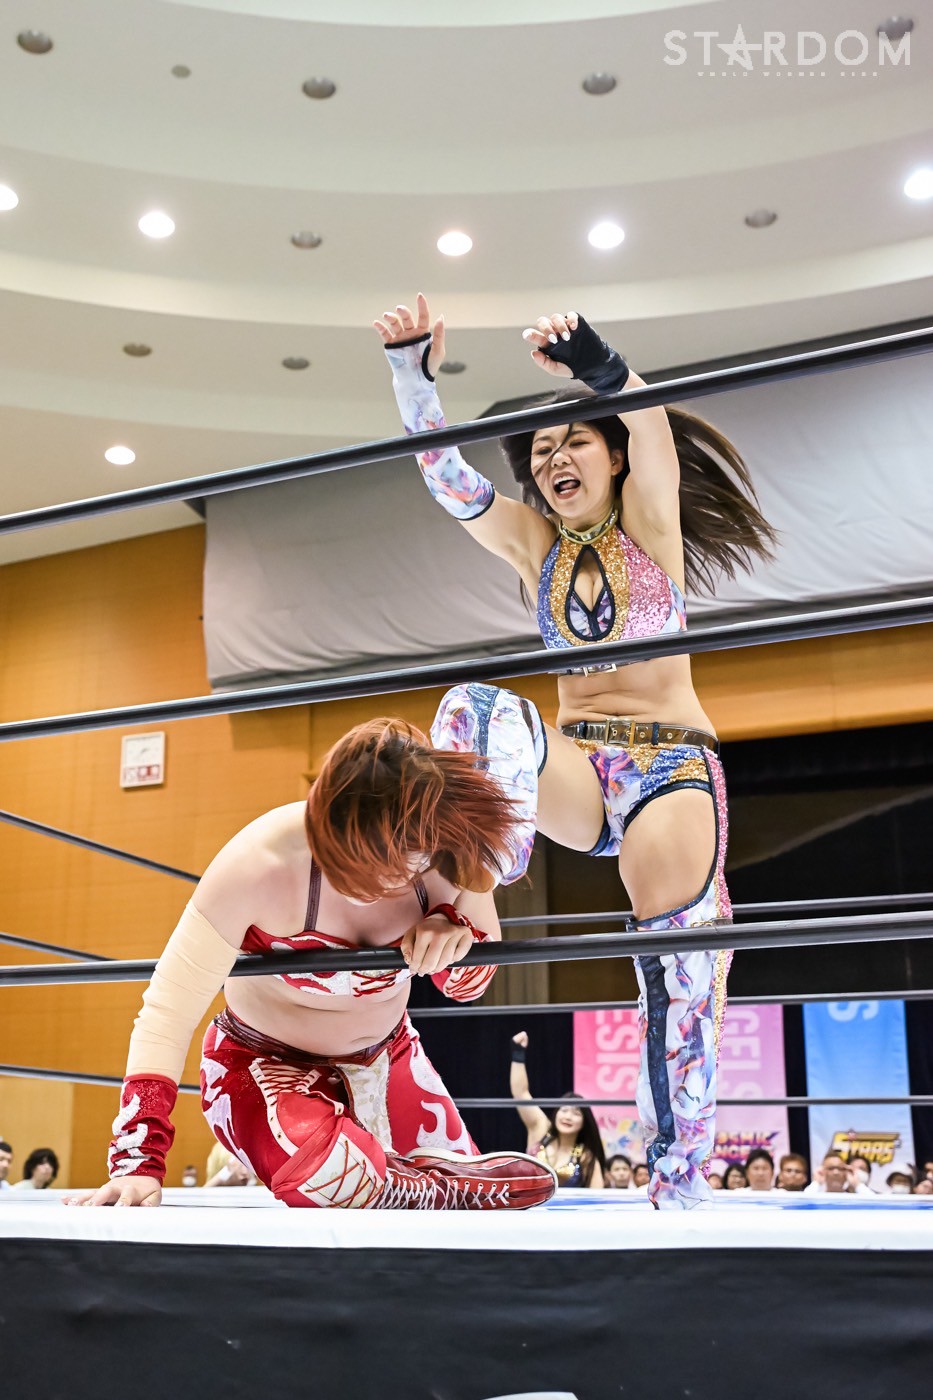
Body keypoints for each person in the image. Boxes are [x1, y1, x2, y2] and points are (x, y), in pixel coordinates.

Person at [376, 297, 776, 1209]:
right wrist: (410, 376)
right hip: (580, 774)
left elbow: (647, 420)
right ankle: (476, 899)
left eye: (575, 442)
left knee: (678, 968)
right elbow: (449, 482)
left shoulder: (649, 523)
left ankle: (677, 1180)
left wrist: (601, 367)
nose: (555, 457)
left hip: (669, 768)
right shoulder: (535, 546)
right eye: (542, 450)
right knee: (470, 707)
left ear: (614, 459)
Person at [67, 719, 556, 1212]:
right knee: (325, 1172)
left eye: (398, 869)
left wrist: (454, 931)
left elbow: (468, 988)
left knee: (394, 1195)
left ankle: (405, 1180)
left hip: (391, 1062)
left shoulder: (451, 851)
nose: (374, 888)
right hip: (262, 1066)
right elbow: (167, 1012)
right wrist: (137, 1162)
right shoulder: (256, 864)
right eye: (357, 868)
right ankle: (422, 1184)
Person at [509, 1032, 605, 1187]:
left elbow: (598, 1197)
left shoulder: (586, 1157)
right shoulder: (541, 1129)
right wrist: (518, 1053)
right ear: (556, 1113)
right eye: (564, 1110)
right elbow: (521, 1093)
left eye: (576, 1113)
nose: (568, 1116)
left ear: (584, 1122)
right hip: (530, 1203)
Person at [802, 1152, 874, 1196]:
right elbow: (803, 1202)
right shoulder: (816, 1196)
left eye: (840, 1168)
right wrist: (816, 1182)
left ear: (846, 1172)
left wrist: (857, 1184)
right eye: (831, 1168)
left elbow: (875, 1204)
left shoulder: (854, 1198)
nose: (836, 1172)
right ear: (822, 1171)